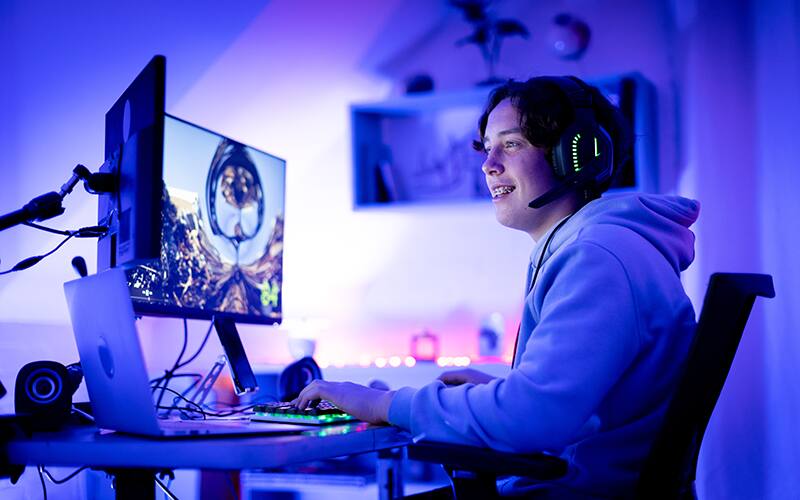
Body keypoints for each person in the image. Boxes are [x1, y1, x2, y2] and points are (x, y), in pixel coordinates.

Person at [293, 76, 700, 498]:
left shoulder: (597, 257)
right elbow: (582, 406)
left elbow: (537, 415)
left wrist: (384, 404)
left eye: (512, 144)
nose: (488, 164)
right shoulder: (597, 247)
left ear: (576, 156)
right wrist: (497, 394)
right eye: (486, 147)